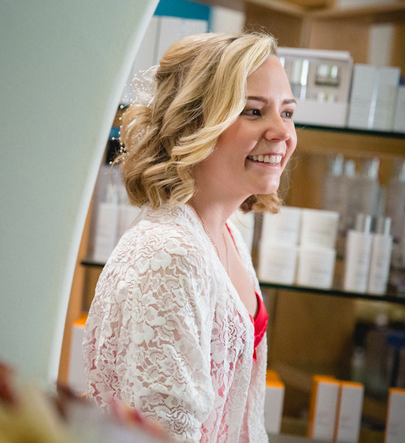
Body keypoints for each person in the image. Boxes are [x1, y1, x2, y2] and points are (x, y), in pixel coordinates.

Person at [82, 32, 297, 442]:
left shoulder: (229, 234)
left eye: (287, 113)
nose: (281, 132)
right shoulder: (168, 254)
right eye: (253, 112)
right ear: (195, 123)